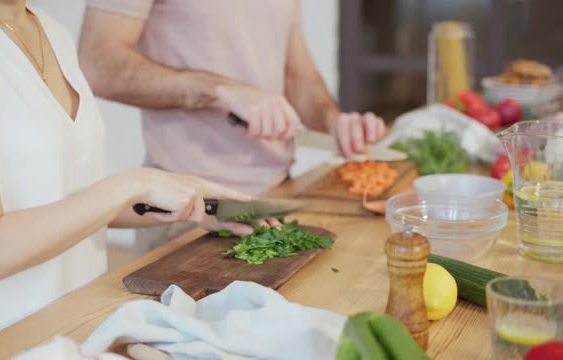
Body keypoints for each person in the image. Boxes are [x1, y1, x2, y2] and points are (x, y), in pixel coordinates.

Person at [0, 0, 262, 357]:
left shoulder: (50, 31)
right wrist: (132, 183)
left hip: (81, 331)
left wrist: (194, 203)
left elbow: (75, 201)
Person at [78, 0, 387, 252]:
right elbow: (96, 63)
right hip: (187, 210)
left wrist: (333, 120)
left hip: (278, 196)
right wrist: (220, 91)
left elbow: (297, 72)